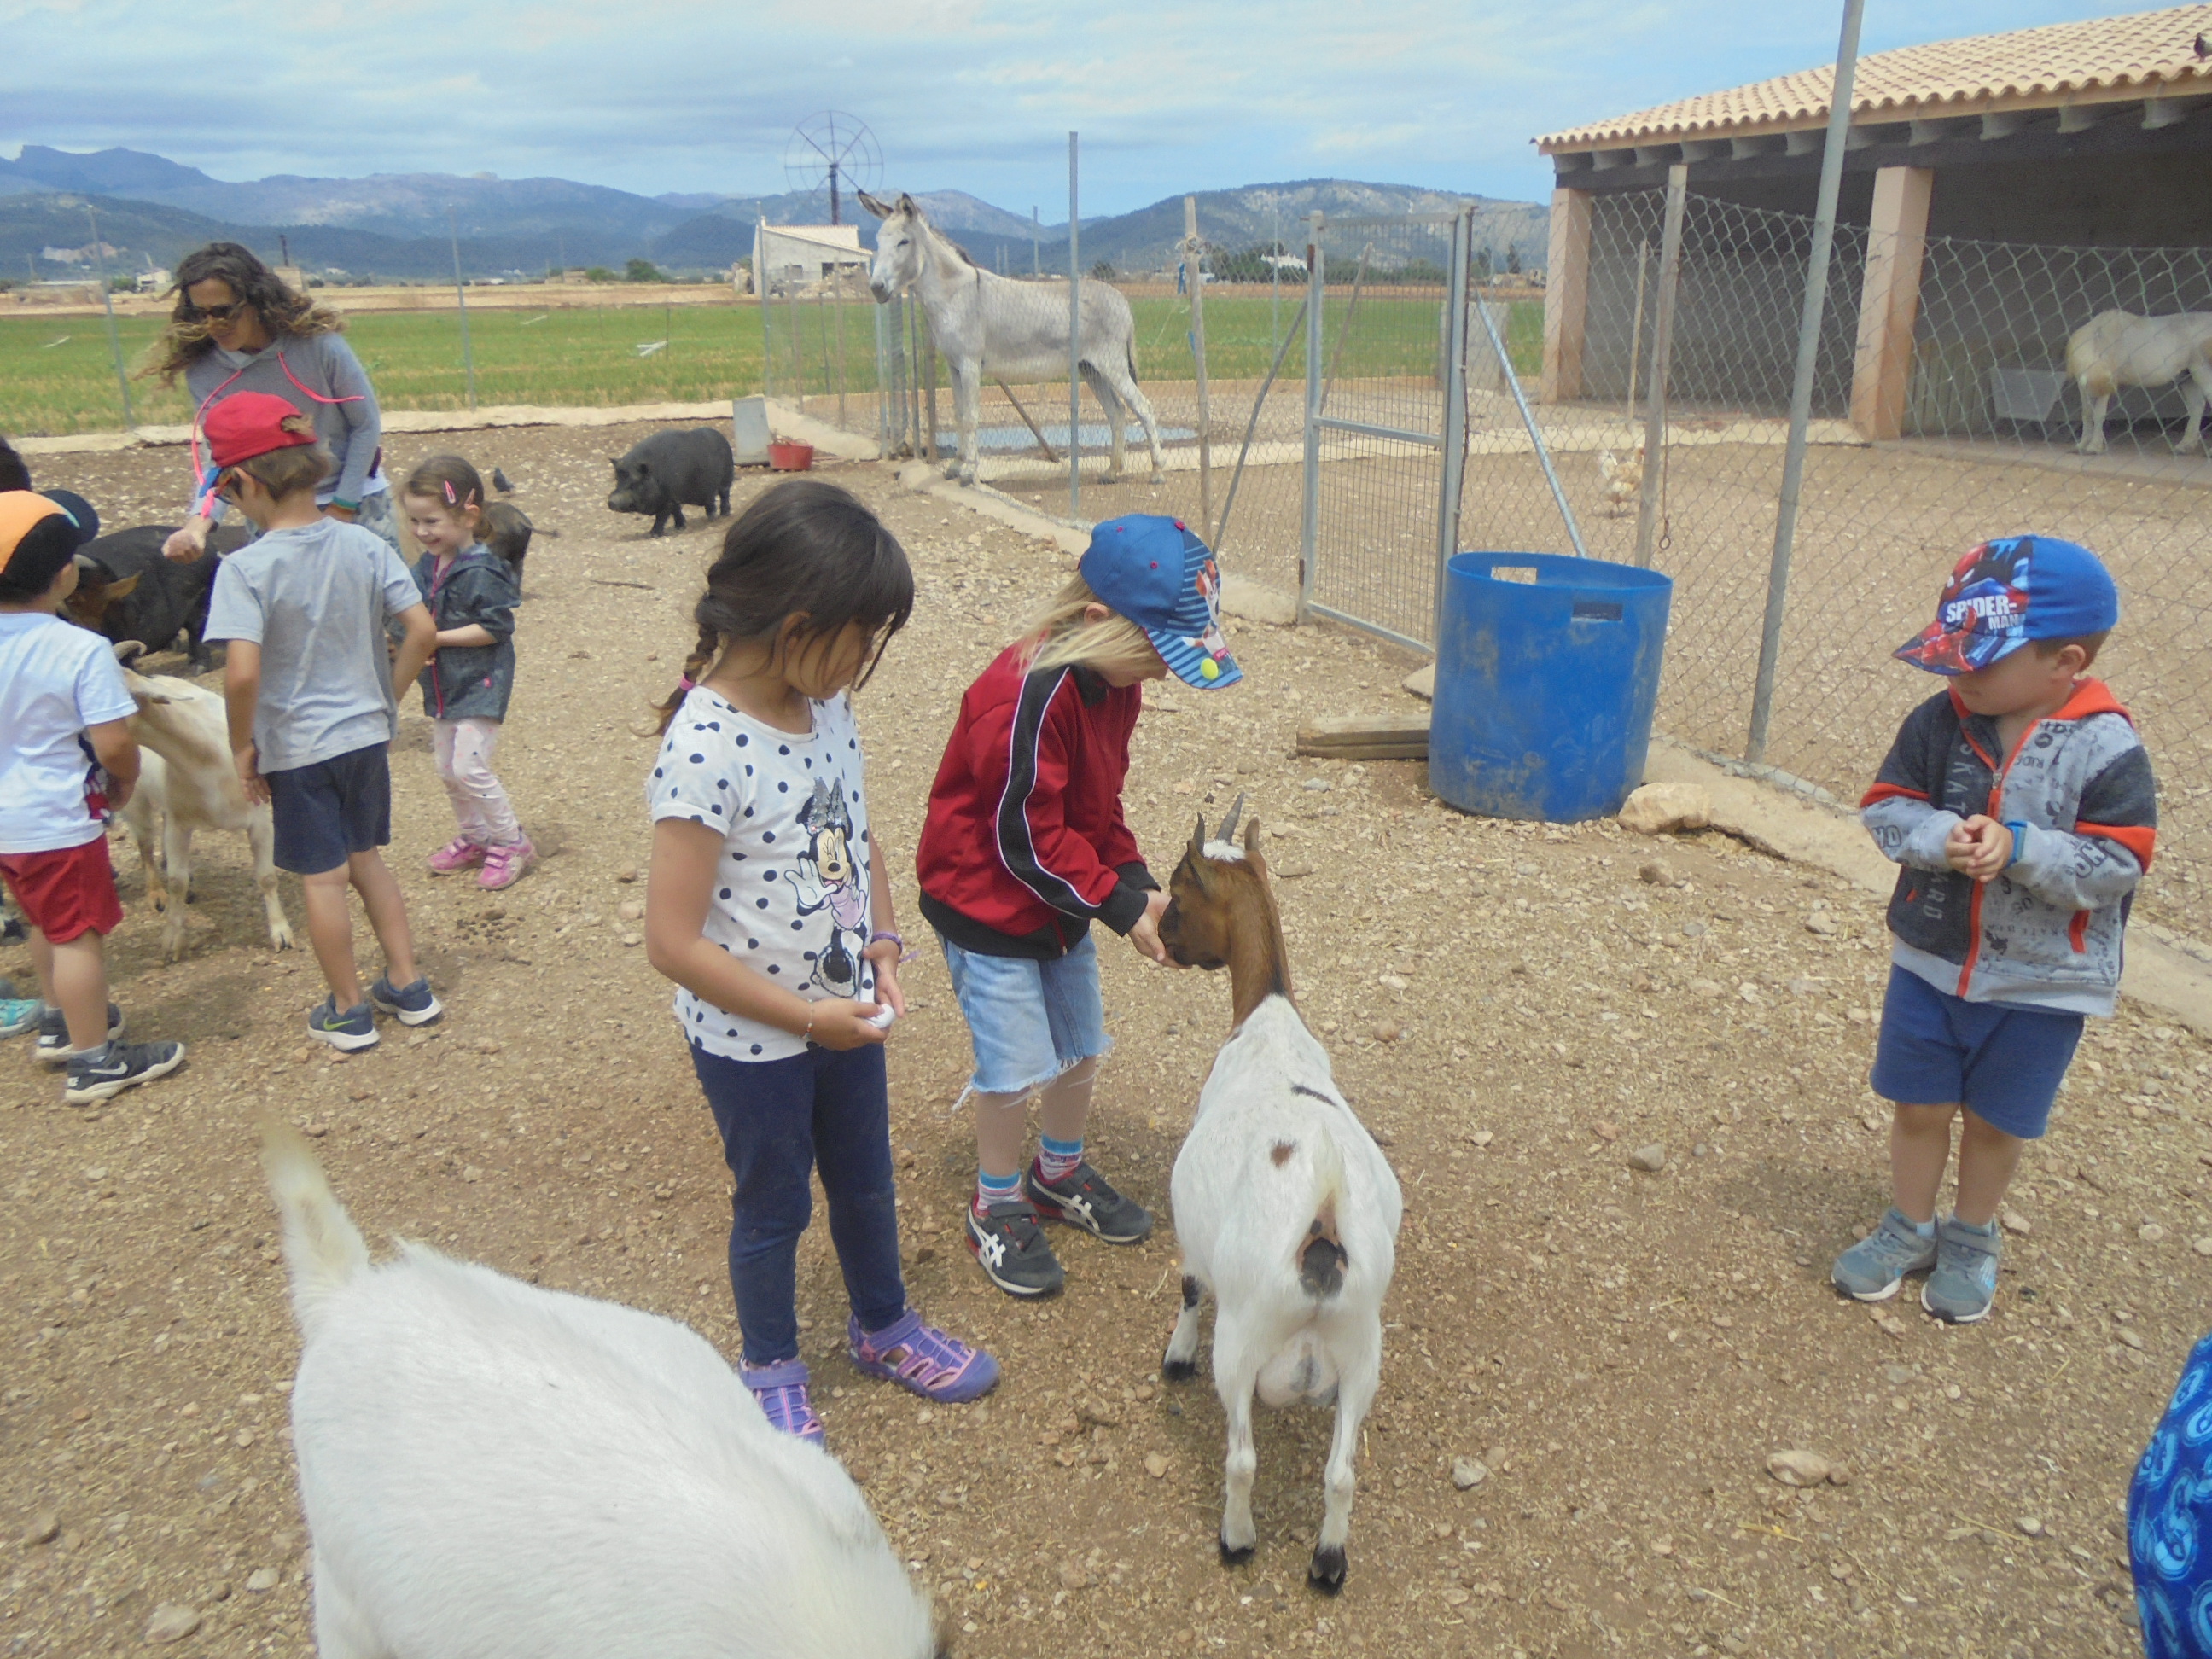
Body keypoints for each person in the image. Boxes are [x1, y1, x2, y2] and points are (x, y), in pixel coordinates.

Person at [643, 479, 996, 1445]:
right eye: (866, 637)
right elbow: (668, 942)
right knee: (772, 1204)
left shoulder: (822, 706)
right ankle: (769, 1366)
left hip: (843, 1012)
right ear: (800, 623)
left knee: (866, 1177)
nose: (869, 660)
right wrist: (805, 1019)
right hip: (755, 1040)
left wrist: (881, 940)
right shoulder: (707, 748)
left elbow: (854, 838)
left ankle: (883, 1327)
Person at [915, 514, 1241, 1299]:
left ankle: (1056, 1172)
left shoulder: (1111, 685)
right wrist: (1119, 906)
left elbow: (1096, 808)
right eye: (1159, 652)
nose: (1166, 672)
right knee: (1013, 1062)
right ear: (1099, 621)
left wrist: (1134, 883)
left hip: (1057, 900)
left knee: (1082, 1042)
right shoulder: (1028, 696)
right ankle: (996, 1203)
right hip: (987, 903)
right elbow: (1025, 837)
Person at [1833, 536, 2154, 1324]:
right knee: (1915, 1104)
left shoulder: (2108, 747)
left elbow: (2119, 861)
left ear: (2065, 662)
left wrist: (2023, 848)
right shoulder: (1940, 722)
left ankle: (1972, 1236)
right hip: (1931, 964)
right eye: (1953, 655)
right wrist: (1938, 835)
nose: (1956, 674)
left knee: (1996, 1123)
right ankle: (1909, 1225)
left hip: (2042, 984)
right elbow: (1886, 804)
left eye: (1978, 661)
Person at [200, 392, 443, 1051]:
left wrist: (242, 745)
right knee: (367, 860)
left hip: (298, 748)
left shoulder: (243, 569)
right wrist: (386, 702)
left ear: (242, 482)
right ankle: (410, 984)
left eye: (226, 491)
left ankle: (348, 1008)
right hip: (365, 735)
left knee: (321, 876)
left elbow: (242, 674)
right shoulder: (364, 543)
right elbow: (421, 632)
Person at [0, 491, 187, 1103]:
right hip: (58, 819)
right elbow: (113, 745)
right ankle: (93, 1060)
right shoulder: (78, 649)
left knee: (41, 919)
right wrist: (126, 782)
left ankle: (59, 1023)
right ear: (64, 574)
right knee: (78, 935)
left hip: (6, 825)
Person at [145, 243, 399, 562]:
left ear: (256, 301)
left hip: (354, 504)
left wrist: (342, 508)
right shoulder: (205, 372)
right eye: (201, 313)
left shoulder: (321, 347)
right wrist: (197, 526)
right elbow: (223, 459)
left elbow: (366, 425)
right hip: (273, 517)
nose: (212, 324)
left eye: (223, 311)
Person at [398, 456, 533, 890]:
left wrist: (434, 640)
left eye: (432, 521)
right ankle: (475, 836)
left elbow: (495, 628)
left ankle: (510, 840)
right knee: (445, 768)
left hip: (481, 682)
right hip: (442, 684)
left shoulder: (481, 569)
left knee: (469, 766)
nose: (422, 532)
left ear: (468, 515)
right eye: (415, 522)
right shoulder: (428, 567)